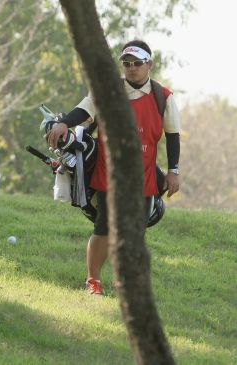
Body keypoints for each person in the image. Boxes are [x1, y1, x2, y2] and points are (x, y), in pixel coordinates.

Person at [46, 40, 181, 295]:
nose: (131, 69)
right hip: (110, 173)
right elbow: (83, 111)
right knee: (105, 228)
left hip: (144, 176)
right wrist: (63, 123)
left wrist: (173, 171)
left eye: (137, 64)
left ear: (149, 64)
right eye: (127, 64)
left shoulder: (163, 96)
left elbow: (173, 135)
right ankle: (93, 281)